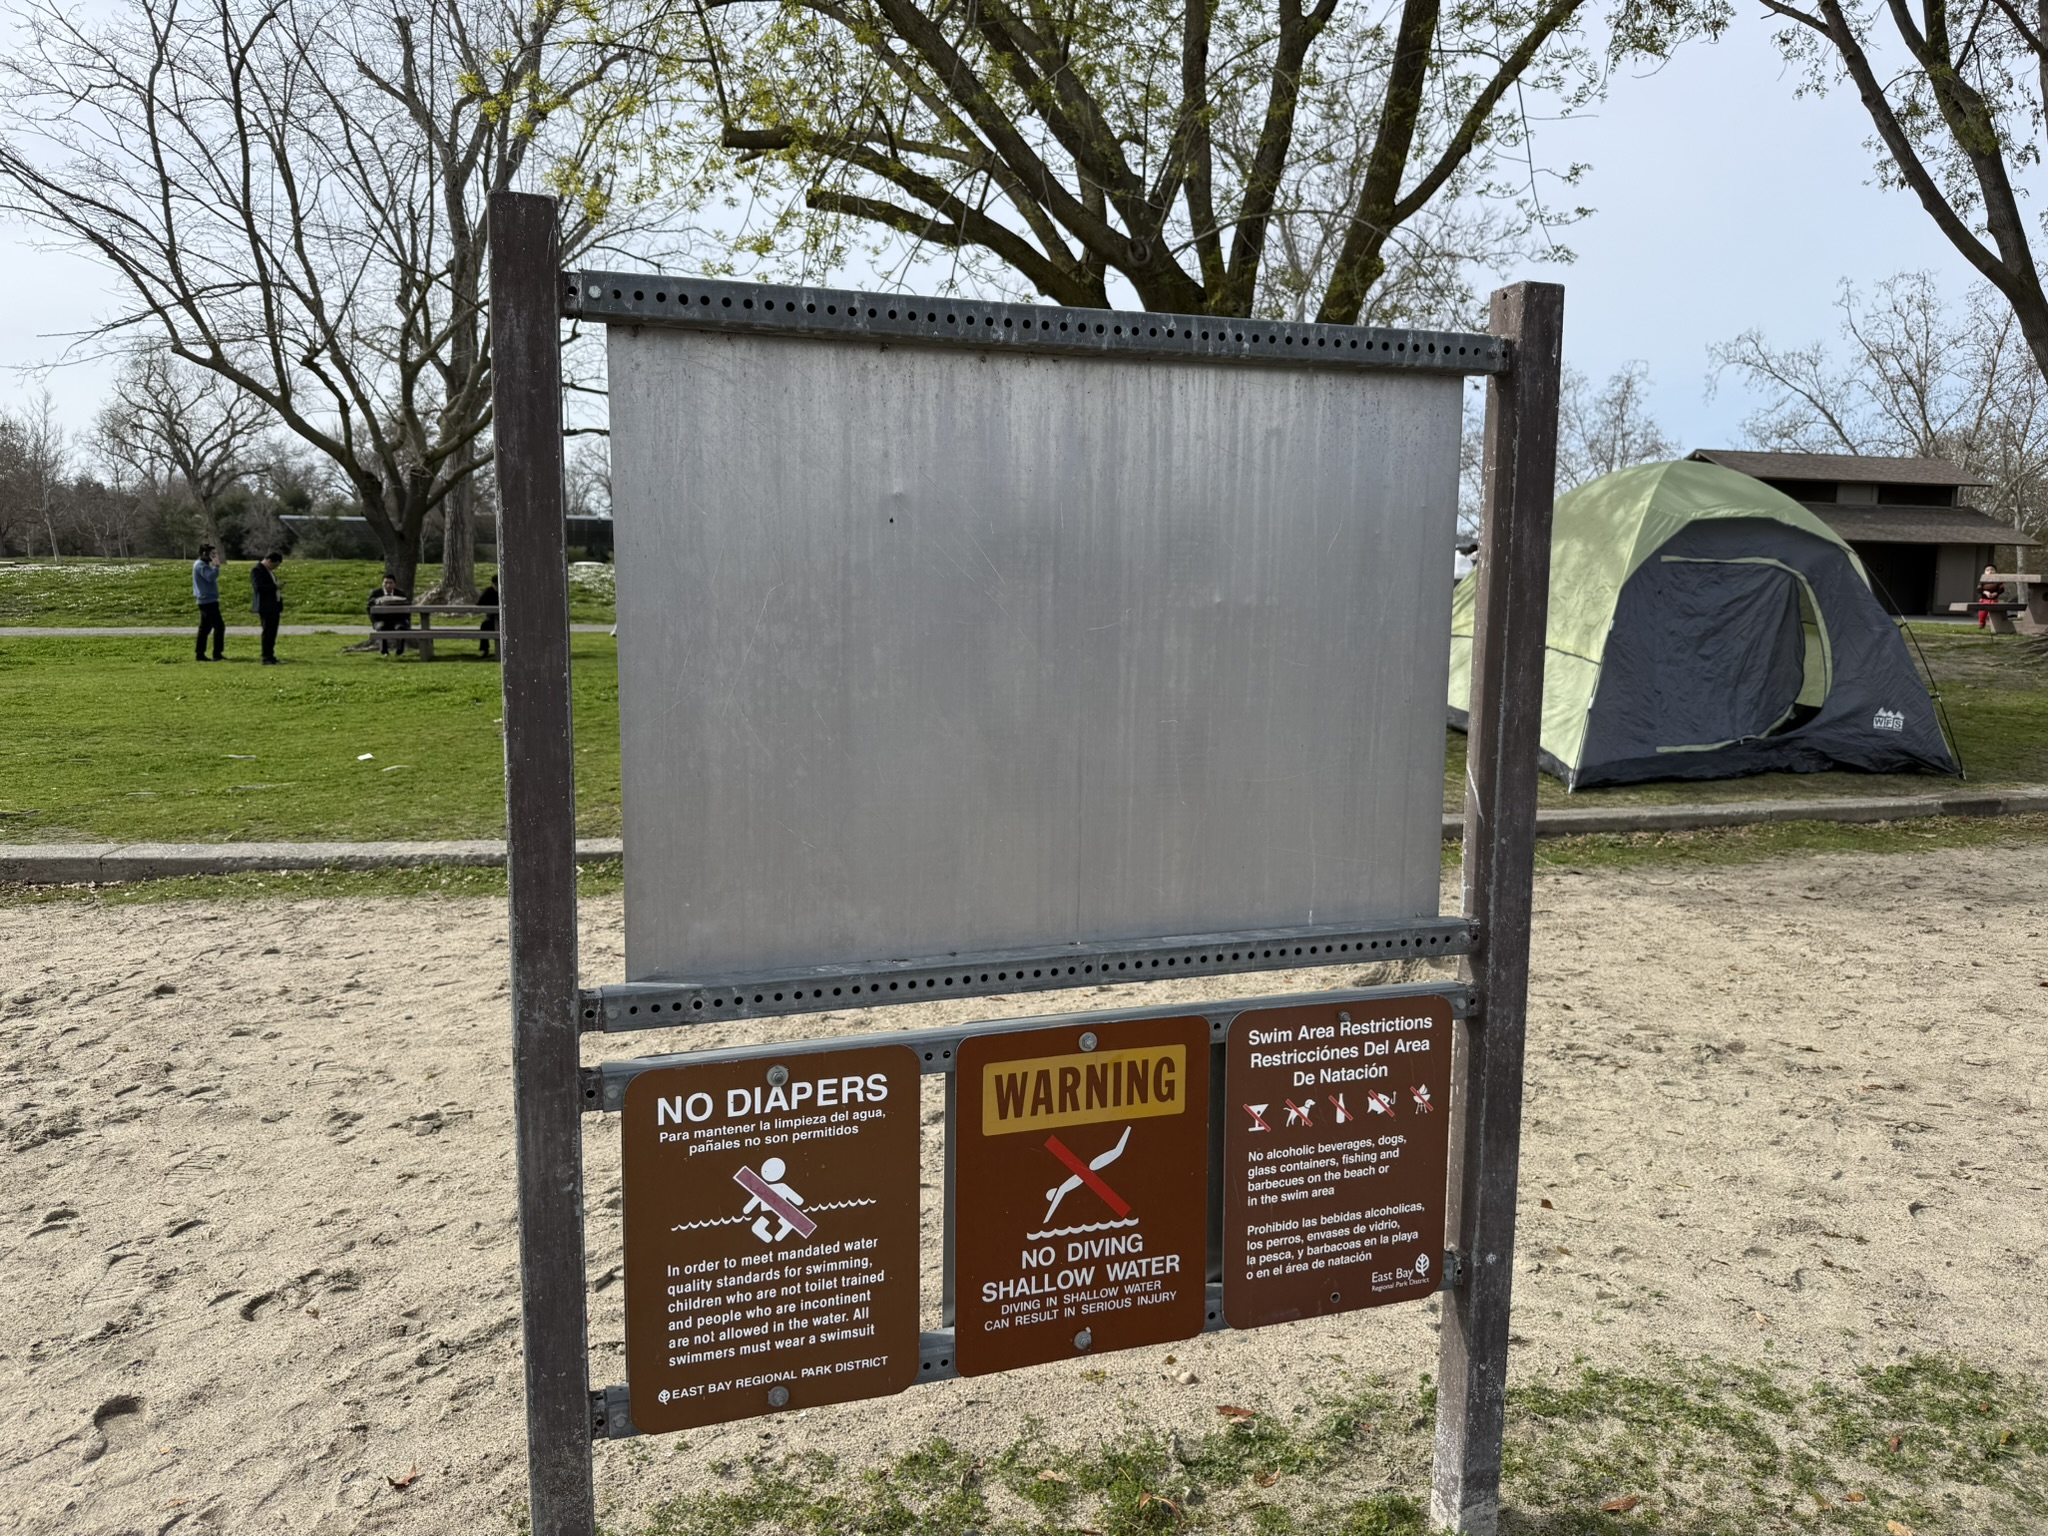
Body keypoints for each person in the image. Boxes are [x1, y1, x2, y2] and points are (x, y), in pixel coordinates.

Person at [192, 544, 225, 661]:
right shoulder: (201, 565)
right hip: (207, 601)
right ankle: (216, 653)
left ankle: (200, 653)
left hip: (207, 600)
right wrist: (216, 566)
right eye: (213, 554)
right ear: (205, 554)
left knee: (205, 628)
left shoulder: (202, 564)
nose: (215, 557)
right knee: (219, 626)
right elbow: (211, 577)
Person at [251, 551, 284, 664]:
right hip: (265, 606)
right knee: (268, 632)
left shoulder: (269, 572)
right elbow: (259, 587)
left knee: (272, 632)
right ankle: (266, 657)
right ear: (269, 561)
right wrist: (275, 586)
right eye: (274, 565)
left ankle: (271, 655)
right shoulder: (257, 570)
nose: (275, 568)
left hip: (274, 605)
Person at [369, 573, 412, 655]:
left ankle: (399, 651)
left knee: (401, 628)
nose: (388, 585)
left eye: (390, 583)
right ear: (382, 584)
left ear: (394, 584)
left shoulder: (401, 594)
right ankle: (384, 651)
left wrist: (405, 620)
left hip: (397, 620)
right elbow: (369, 607)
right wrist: (374, 621)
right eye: (386, 583)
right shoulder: (376, 594)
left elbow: (407, 608)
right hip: (381, 620)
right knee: (382, 627)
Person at [477, 579, 499, 657]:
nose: (497, 586)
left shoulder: (506, 591)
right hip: (492, 621)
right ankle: (484, 650)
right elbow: (479, 604)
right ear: (492, 584)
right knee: (484, 626)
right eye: (495, 584)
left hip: (506, 622)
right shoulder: (488, 592)